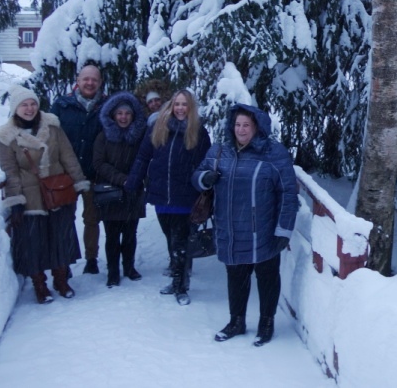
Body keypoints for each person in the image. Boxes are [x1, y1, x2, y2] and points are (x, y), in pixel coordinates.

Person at [193, 103, 298, 346]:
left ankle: (266, 322)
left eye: (246, 125)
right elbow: (197, 177)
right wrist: (204, 178)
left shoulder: (274, 153)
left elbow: (287, 193)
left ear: (257, 127)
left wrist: (283, 229)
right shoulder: (220, 151)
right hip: (230, 227)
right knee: (236, 276)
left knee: (267, 276)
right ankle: (236, 321)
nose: (241, 130)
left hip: (264, 229)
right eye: (237, 124)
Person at [0, 84, 90, 304]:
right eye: (24, 105)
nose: (29, 109)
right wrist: (16, 199)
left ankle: (61, 279)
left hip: (58, 190)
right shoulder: (6, 137)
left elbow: (68, 156)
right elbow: (10, 171)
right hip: (31, 196)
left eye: (33, 104)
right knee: (33, 243)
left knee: (61, 237)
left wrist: (79, 182)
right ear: (15, 109)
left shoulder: (52, 126)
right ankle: (40, 284)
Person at [125, 89, 211, 305]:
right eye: (177, 104)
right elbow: (143, 157)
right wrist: (133, 182)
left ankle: (180, 285)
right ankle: (178, 277)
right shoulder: (158, 128)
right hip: (162, 195)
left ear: (190, 108)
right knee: (170, 239)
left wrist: (206, 191)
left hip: (185, 196)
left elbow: (206, 164)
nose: (180, 108)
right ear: (171, 106)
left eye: (185, 105)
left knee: (180, 241)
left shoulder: (199, 132)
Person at [52, 64, 106, 274]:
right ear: (78, 80)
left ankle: (91, 258)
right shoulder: (62, 105)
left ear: (100, 82)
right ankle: (65, 260)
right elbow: (49, 135)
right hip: (66, 175)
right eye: (86, 79)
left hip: (94, 173)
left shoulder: (106, 106)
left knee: (92, 219)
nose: (90, 83)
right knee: (66, 219)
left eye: (94, 79)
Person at [93, 92, 148, 288]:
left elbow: (144, 158)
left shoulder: (140, 136)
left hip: (133, 190)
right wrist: (122, 179)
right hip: (111, 191)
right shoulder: (103, 136)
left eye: (127, 113)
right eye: (120, 113)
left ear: (133, 116)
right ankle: (113, 271)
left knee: (130, 233)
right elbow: (99, 163)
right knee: (112, 235)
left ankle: (129, 267)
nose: (123, 117)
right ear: (113, 115)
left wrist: (134, 180)